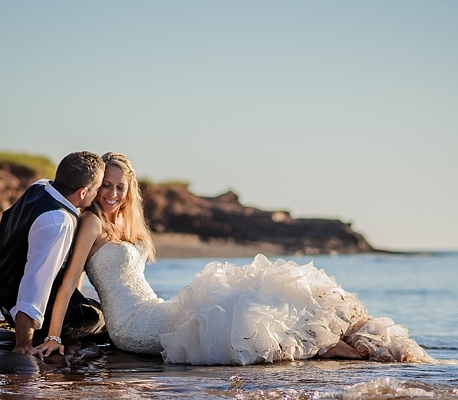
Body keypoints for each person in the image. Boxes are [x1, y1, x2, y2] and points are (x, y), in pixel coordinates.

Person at [38, 152, 435, 366]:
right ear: (93, 188)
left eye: (120, 186)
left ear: (130, 189)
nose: (112, 193)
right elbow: (70, 279)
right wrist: (52, 337)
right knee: (233, 306)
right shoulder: (91, 224)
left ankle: (328, 343)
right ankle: (322, 346)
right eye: (105, 186)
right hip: (131, 325)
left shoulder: (125, 226)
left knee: (244, 297)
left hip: (152, 308)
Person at [0, 151, 106, 355]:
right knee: (104, 319)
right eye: (98, 188)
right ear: (82, 192)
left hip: (6, 300)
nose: (99, 194)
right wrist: (23, 345)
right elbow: (35, 284)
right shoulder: (58, 222)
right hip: (35, 314)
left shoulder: (40, 187)